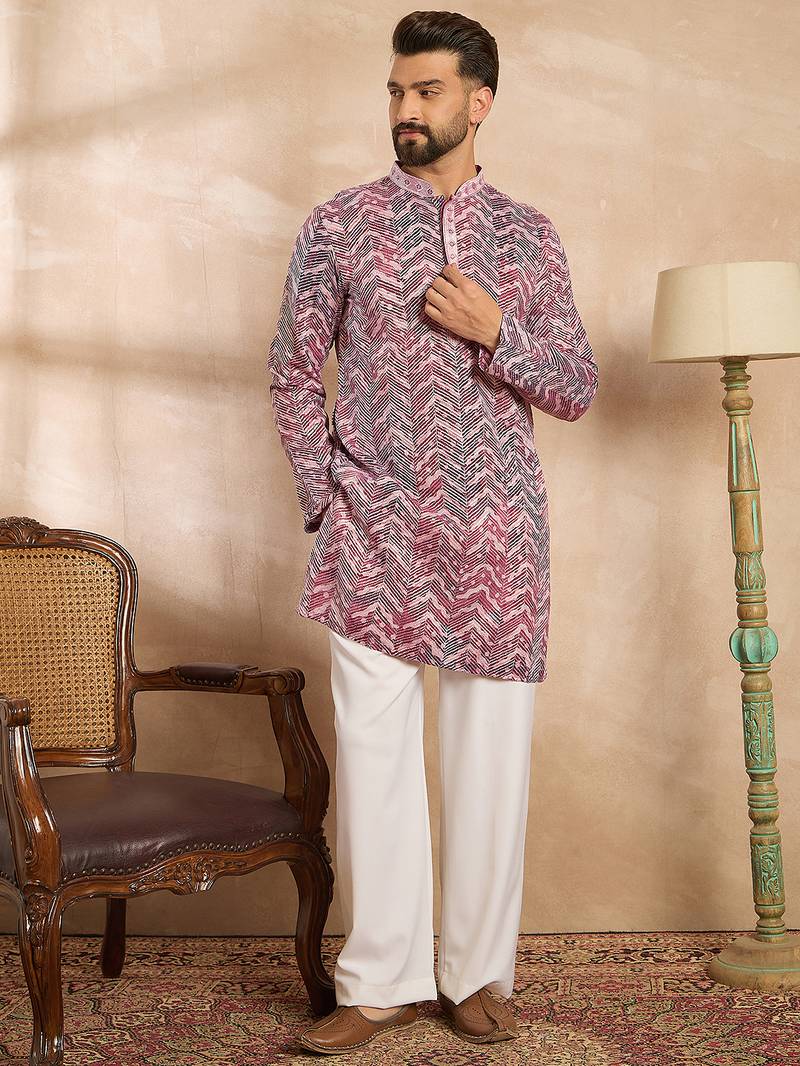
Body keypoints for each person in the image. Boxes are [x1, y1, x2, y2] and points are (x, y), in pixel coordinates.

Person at [268, 9, 598, 1055]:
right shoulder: (340, 224)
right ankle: (380, 982)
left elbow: (576, 384)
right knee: (374, 764)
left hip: (498, 538)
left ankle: (477, 976)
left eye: (427, 92)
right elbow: (291, 371)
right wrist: (326, 498)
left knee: (488, 765)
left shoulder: (528, 236)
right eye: (396, 91)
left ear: (479, 101)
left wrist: (498, 332)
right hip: (373, 531)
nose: (405, 109)